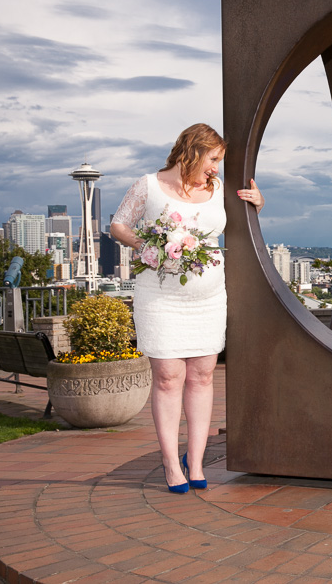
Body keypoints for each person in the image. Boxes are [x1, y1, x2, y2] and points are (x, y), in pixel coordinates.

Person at [111, 123, 263, 493]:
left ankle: (194, 461)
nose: (216, 168)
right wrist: (147, 248)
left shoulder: (219, 190)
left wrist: (259, 202)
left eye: (219, 161)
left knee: (203, 376)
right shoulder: (148, 185)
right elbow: (117, 225)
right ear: (192, 151)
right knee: (167, 377)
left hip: (208, 298)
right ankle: (169, 462)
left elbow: (245, 217)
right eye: (212, 159)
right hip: (160, 298)